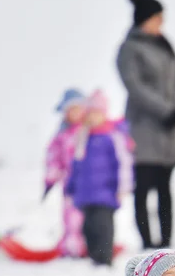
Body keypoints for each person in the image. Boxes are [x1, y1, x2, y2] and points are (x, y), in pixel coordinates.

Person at [117, 0, 175, 250]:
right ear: (145, 19)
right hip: (143, 130)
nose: (162, 24)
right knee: (143, 187)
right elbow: (135, 87)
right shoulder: (129, 49)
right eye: (158, 18)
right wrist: (164, 110)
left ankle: (166, 241)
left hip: (169, 130)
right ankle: (147, 242)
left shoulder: (165, 46)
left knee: (165, 188)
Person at [66, 91, 133, 266]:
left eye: (97, 113)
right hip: (85, 194)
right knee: (88, 227)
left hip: (106, 193)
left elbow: (123, 163)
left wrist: (123, 187)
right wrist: (71, 187)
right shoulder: (83, 137)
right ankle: (94, 256)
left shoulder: (112, 136)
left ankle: (105, 258)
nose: (93, 117)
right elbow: (76, 165)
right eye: (90, 113)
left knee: (103, 226)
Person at [43, 88, 87, 257]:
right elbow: (53, 158)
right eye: (70, 110)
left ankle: (91, 244)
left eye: (77, 109)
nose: (74, 113)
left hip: (90, 183)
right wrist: (50, 178)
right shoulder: (62, 135)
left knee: (89, 216)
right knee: (71, 217)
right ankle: (72, 247)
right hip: (70, 184)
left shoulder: (89, 130)